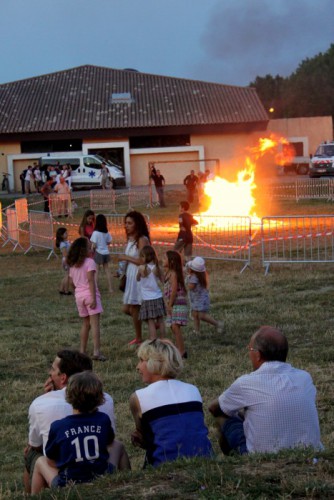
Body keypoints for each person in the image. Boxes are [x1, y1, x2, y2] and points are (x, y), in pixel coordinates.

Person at [209, 326, 323, 456]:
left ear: (258, 355)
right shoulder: (305, 377)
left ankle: (237, 462)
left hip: (261, 457)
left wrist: (240, 413)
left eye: (250, 349)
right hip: (310, 455)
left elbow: (214, 409)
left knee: (224, 417)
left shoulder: (247, 382)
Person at [23, 349, 118, 494]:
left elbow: (39, 449)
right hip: (99, 471)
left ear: (64, 379)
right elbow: (110, 441)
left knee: (34, 457)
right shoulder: (107, 401)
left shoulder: (46, 410)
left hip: (67, 478)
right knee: (119, 446)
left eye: (53, 369)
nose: (50, 373)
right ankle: (127, 484)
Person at [129, 339, 213, 468]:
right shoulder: (193, 390)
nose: (137, 367)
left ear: (154, 363)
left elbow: (144, 438)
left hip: (164, 465)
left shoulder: (138, 397)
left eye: (141, 360)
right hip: (205, 460)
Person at [67, 237, 106, 361]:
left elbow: (71, 283)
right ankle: (96, 351)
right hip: (90, 295)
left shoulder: (72, 266)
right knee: (95, 325)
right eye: (90, 247)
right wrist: (94, 298)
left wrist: (77, 292)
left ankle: (82, 350)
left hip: (79, 296)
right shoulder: (90, 262)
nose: (92, 248)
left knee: (85, 324)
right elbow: (91, 281)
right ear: (84, 250)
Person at [117, 211, 150, 345]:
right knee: (127, 308)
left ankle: (139, 337)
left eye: (130, 223)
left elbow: (144, 261)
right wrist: (120, 271)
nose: (126, 225)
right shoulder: (130, 240)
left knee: (134, 307)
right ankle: (151, 321)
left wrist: (126, 258)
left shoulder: (142, 240)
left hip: (139, 275)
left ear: (137, 224)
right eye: (126, 223)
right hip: (130, 274)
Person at [186, 256, 224, 334]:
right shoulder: (201, 275)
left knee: (201, 316)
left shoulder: (193, 277)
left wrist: (187, 281)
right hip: (198, 299)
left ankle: (217, 324)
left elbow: (190, 287)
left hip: (199, 299)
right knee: (195, 314)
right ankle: (196, 331)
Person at [137, 245, 166, 340]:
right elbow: (163, 281)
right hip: (157, 296)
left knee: (150, 321)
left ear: (145, 257)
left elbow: (137, 279)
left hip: (147, 299)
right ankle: (163, 339)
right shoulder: (157, 268)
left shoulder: (141, 268)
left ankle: (153, 339)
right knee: (160, 320)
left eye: (141, 256)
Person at [163, 250, 188, 358]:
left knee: (175, 326)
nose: (162, 260)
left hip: (177, 303)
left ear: (171, 261)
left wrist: (170, 305)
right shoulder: (169, 272)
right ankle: (179, 348)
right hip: (173, 303)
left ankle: (181, 351)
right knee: (173, 327)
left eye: (165, 258)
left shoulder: (173, 274)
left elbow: (174, 291)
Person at [90, 214, 113, 293]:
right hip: (106, 252)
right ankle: (110, 288)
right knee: (107, 270)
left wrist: (92, 249)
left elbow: (94, 244)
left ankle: (96, 289)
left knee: (96, 271)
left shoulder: (95, 233)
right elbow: (109, 242)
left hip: (98, 252)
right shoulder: (106, 232)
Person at [55, 227, 72, 295]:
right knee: (67, 276)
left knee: (66, 275)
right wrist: (69, 261)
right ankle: (66, 290)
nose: (67, 234)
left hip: (67, 260)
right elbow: (65, 254)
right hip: (67, 260)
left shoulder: (66, 242)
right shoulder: (62, 244)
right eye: (65, 233)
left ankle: (61, 289)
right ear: (61, 235)